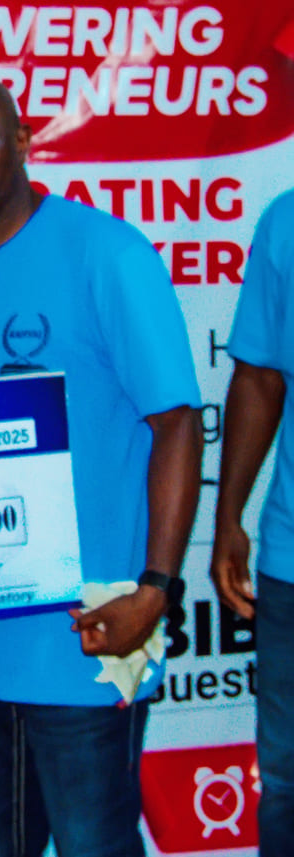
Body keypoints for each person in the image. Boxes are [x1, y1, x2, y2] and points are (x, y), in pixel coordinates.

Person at [0, 76, 202, 857]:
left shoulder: (107, 253)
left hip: (88, 636)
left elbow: (177, 423)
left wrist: (154, 588)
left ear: (22, 141)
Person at [211, 188, 294, 855]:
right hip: (291, 563)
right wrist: (228, 515)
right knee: (288, 784)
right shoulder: (286, 219)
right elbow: (261, 376)